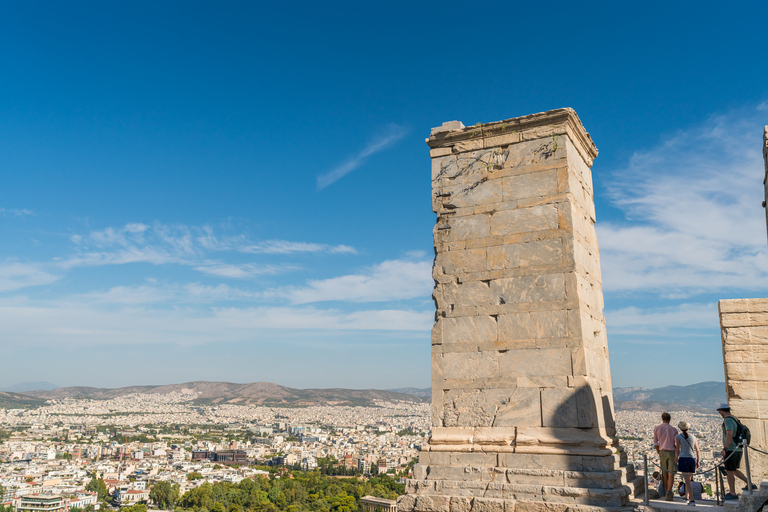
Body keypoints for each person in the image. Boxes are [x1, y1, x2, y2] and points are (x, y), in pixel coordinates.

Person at [717, 403, 754, 500]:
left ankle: (732, 493)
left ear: (721, 411)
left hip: (731, 449)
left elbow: (729, 434)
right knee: (733, 470)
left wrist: (725, 448)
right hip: (738, 448)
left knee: (729, 471)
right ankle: (750, 483)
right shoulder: (735, 419)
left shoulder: (728, 420)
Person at [675, 421, 701, 505]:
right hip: (692, 459)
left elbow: (677, 449)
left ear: (680, 428)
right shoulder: (693, 437)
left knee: (687, 481)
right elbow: (698, 450)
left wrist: (676, 458)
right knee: (688, 480)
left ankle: (692, 500)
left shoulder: (678, 437)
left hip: (683, 459)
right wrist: (698, 461)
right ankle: (686, 497)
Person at [654, 412, 678, 501]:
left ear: (662, 418)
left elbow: (655, 443)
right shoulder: (674, 430)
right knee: (671, 473)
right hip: (671, 452)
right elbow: (676, 444)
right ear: (670, 419)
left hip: (662, 452)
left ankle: (665, 491)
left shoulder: (657, 428)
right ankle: (669, 492)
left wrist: (659, 451)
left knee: (665, 473)